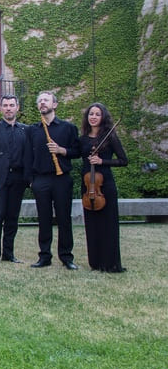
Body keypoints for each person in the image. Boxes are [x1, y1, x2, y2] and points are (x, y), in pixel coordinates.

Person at [24, 91, 81, 270]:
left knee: (64, 218)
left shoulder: (68, 128)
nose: (42, 103)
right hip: (41, 180)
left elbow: (78, 151)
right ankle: (44, 256)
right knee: (44, 219)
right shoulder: (32, 130)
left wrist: (62, 150)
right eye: (40, 100)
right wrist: (31, 181)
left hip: (61, 179)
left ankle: (66, 257)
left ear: (54, 105)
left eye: (46, 100)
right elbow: (27, 157)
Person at [80, 102, 128, 272]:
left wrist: (102, 161)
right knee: (92, 225)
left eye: (97, 114)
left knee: (108, 224)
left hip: (104, 185)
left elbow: (123, 160)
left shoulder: (110, 137)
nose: (93, 117)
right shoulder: (83, 138)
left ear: (103, 117)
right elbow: (75, 153)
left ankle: (110, 263)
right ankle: (95, 262)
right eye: (91, 114)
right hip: (87, 185)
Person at [0, 95, 28, 266]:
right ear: (0, 108)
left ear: (17, 108)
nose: (8, 108)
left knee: (12, 217)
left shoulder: (25, 130)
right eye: (5, 105)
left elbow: (28, 156)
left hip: (18, 179)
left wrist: (28, 179)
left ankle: (8, 254)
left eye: (11, 105)